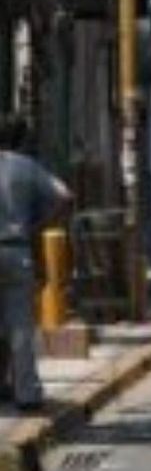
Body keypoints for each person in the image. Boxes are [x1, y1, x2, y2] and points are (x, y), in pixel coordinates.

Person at [0, 116, 72, 413]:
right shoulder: (26, 167)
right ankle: (27, 394)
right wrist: (41, 225)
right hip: (17, 250)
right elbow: (65, 196)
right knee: (20, 327)